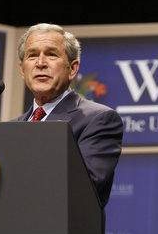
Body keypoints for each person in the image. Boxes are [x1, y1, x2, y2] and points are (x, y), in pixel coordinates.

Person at [12, 23, 123, 208]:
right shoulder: (11, 129)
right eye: (32, 55)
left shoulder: (98, 119)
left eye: (51, 54)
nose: (40, 63)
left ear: (72, 68)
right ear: (23, 70)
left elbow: (85, 186)